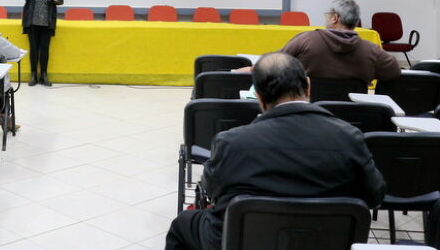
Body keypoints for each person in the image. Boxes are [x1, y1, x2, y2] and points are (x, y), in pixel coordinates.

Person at [165, 52, 386, 250]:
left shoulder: (231, 142)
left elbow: (212, 190)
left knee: (183, 224)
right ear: (308, 86)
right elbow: (375, 195)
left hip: (243, 240)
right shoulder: (350, 137)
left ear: (259, 97)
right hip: (325, 241)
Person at [281, 0, 400, 84]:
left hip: (311, 111)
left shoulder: (306, 40)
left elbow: (275, 65)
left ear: (335, 18)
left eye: (328, 14)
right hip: (353, 114)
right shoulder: (371, 50)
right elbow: (394, 71)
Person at [19, 0, 64, 86]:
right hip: (32, 20)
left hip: (47, 20)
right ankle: (33, 75)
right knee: (33, 49)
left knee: (44, 49)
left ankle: (44, 75)